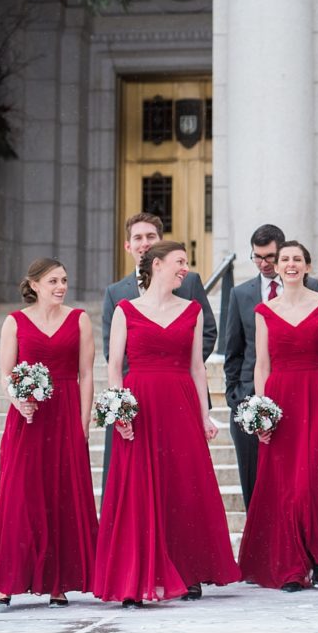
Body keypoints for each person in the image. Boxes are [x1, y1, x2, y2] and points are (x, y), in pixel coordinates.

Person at [94, 241, 240, 606]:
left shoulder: (192, 310)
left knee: (183, 484)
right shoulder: (125, 310)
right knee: (137, 489)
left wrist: (205, 415)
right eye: (179, 262)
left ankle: (189, 571)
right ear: (157, 264)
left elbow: (196, 367)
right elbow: (114, 367)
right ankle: (135, 575)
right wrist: (120, 410)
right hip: (138, 404)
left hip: (180, 404)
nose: (184, 269)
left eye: (186, 263)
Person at [238, 241, 318, 591]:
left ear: (307, 266)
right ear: (276, 265)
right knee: (285, 485)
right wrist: (260, 412)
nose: (290, 264)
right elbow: (261, 364)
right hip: (280, 401)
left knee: (315, 480)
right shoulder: (264, 311)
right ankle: (291, 565)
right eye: (284, 259)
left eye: (296, 259)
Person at [0, 259, 99, 609]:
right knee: (19, 495)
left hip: (66, 415)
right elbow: (6, 374)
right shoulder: (14, 322)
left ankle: (58, 582)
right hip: (29, 419)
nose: (60, 286)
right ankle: (6, 582)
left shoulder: (79, 319)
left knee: (61, 496)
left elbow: (87, 375)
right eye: (53, 281)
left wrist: (82, 428)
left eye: (64, 280)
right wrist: (18, 401)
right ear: (34, 284)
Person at [100, 212, 216, 494]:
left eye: (151, 237)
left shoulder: (189, 283)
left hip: (181, 392)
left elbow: (205, 339)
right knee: (132, 485)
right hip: (136, 396)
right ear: (128, 245)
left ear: (160, 243)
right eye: (138, 238)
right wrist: (127, 401)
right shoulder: (117, 294)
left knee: (183, 483)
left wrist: (173, 366)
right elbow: (112, 355)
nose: (144, 243)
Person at [224, 224, 318, 509]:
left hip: (301, 393)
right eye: (257, 258)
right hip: (250, 398)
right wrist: (236, 398)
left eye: (270, 257)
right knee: (254, 480)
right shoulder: (240, 294)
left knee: (300, 478)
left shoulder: (313, 288)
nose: (264, 264)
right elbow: (233, 351)